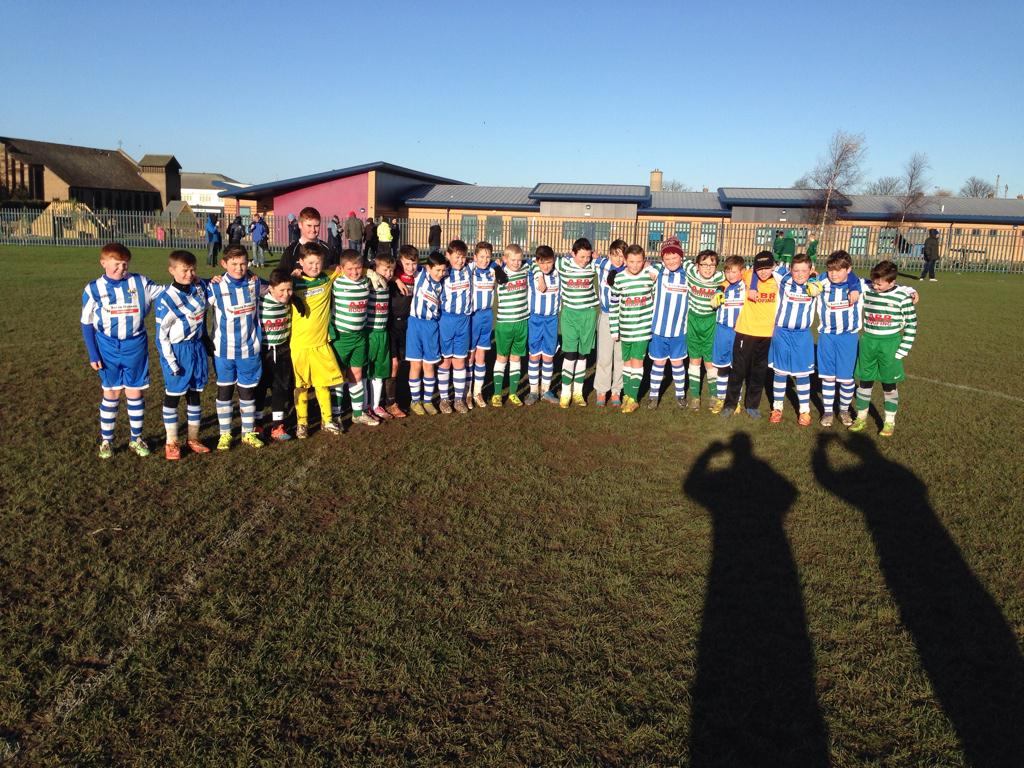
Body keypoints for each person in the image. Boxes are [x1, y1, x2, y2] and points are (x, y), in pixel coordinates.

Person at [80, 242, 164, 458]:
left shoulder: (140, 282)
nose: (121, 269)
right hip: (106, 347)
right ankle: (106, 441)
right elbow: (86, 323)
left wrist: (199, 281)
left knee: (135, 392)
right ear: (103, 263)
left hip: (135, 345)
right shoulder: (93, 289)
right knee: (112, 392)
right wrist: (93, 353)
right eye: (116, 264)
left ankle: (136, 439)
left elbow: (168, 292)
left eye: (124, 265)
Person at [154, 250, 212, 459]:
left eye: (192, 269)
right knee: (173, 394)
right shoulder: (167, 299)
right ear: (172, 271)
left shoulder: (198, 287)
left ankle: (193, 437)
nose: (189, 274)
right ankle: (171, 442)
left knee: (195, 393)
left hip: (196, 348)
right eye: (184, 270)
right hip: (178, 351)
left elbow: (211, 283)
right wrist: (171, 361)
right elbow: (161, 336)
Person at [850, 260, 918, 437]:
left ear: (892, 282)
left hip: (890, 344)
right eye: (874, 282)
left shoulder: (902, 297)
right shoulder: (869, 288)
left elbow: (911, 324)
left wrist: (903, 348)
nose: (875, 286)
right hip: (868, 342)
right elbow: (853, 279)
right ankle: (861, 418)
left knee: (889, 384)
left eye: (879, 284)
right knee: (864, 382)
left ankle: (889, 422)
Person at [208, 245, 266, 450]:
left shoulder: (255, 282)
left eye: (243, 263)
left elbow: (277, 288)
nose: (239, 268)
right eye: (234, 264)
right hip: (223, 352)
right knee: (224, 392)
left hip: (250, 350)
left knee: (247, 393)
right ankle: (225, 434)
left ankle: (248, 432)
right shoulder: (214, 287)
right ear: (224, 264)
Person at [290, 242, 345, 438]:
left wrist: (371, 272)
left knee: (323, 384)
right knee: (301, 386)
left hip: (321, 343)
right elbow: (271, 286)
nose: (315, 267)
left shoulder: (326, 279)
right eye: (310, 262)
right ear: (301, 262)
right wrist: (290, 278)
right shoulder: (293, 284)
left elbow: (347, 268)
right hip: (299, 346)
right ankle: (302, 423)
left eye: (318, 263)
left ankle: (328, 419)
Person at [721, 251, 781, 419]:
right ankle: (730, 404)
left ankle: (752, 405)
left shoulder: (778, 280)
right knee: (738, 371)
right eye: (759, 268)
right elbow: (729, 279)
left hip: (766, 334)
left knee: (759, 371)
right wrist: (720, 289)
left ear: (773, 267)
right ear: (754, 268)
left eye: (767, 268)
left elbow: (807, 274)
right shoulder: (748, 276)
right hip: (745, 331)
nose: (763, 272)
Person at [765, 254, 820, 426]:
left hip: (802, 335)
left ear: (811, 270)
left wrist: (815, 278)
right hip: (781, 333)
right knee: (780, 373)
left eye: (804, 270)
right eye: (796, 270)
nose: (800, 274)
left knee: (802, 374)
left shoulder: (818, 282)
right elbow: (763, 265)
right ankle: (777, 408)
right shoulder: (783, 277)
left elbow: (848, 276)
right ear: (790, 270)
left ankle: (804, 411)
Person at [815, 251, 864, 427]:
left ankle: (843, 409)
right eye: (831, 270)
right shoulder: (821, 282)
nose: (834, 274)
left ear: (849, 269)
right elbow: (804, 276)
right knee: (828, 377)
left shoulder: (859, 285)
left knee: (846, 378)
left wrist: (911, 291)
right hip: (827, 337)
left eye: (839, 270)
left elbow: (883, 284)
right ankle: (828, 411)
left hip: (848, 338)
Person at [608, 244, 658, 413]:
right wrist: (614, 328)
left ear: (644, 261)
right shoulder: (620, 278)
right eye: (631, 261)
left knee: (637, 362)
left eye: (639, 261)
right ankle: (627, 396)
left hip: (642, 329)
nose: (635, 265)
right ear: (625, 261)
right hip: (625, 329)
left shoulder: (649, 276)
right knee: (627, 363)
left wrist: (654, 269)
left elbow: (663, 271)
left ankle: (634, 398)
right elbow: (614, 305)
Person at [330, 249, 377, 427]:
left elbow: (382, 270)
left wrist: (370, 271)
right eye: (349, 269)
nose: (354, 272)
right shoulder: (336, 282)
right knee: (338, 376)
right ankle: (336, 414)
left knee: (356, 373)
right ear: (341, 269)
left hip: (360, 337)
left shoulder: (366, 281)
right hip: (341, 338)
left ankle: (358, 413)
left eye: (358, 268)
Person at [555, 237, 599, 407]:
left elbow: (611, 264)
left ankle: (578, 393)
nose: (585, 260)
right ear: (572, 253)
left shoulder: (593, 265)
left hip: (588, 314)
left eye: (588, 257)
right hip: (570, 315)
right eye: (581, 257)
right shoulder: (563, 265)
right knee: (570, 353)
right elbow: (542, 261)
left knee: (583, 355)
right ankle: (565, 393)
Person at [254, 268, 298, 441]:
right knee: (259, 389)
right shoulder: (260, 302)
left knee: (281, 387)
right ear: (270, 289)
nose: (286, 294)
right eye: (281, 290)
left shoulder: (291, 302)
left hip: (282, 351)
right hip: (262, 352)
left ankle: (277, 426)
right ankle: (257, 425)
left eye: (289, 290)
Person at [646, 239, 689, 409]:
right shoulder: (657, 272)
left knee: (678, 364)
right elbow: (645, 266)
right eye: (667, 258)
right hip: (658, 329)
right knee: (658, 364)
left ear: (681, 257)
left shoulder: (688, 275)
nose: (671, 261)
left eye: (675, 257)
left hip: (679, 330)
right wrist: (650, 266)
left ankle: (680, 395)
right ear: (662, 259)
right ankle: (653, 396)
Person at [682, 249, 726, 410]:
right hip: (693, 321)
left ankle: (714, 395)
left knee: (709, 361)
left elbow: (739, 275)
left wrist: (722, 288)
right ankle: (695, 396)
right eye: (704, 264)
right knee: (694, 359)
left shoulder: (721, 278)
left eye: (712, 265)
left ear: (717, 266)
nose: (707, 268)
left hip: (710, 323)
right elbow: (677, 259)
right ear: (697, 265)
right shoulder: (690, 271)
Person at [407, 251, 448, 416]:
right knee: (415, 365)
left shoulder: (442, 283)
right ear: (428, 268)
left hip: (431, 326)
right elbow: (406, 264)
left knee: (429, 365)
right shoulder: (420, 275)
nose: (440, 274)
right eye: (437, 270)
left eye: (443, 270)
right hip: (415, 324)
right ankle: (415, 401)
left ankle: (428, 400)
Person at [490, 243, 530, 407]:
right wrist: (496, 265)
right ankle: (497, 394)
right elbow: (484, 265)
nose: (516, 263)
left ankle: (513, 393)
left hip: (522, 321)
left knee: (516, 358)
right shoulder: (499, 273)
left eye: (519, 260)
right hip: (504, 323)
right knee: (502, 357)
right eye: (512, 260)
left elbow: (538, 261)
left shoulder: (525, 268)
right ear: (505, 259)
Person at [437, 239, 473, 414]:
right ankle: (444, 399)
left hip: (464, 321)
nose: (461, 261)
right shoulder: (443, 272)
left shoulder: (469, 269)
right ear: (448, 256)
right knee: (445, 361)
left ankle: (459, 399)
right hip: (446, 320)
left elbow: (487, 263)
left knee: (460, 360)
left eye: (463, 257)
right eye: (457, 257)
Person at [708, 255, 747, 413]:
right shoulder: (721, 287)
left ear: (742, 272)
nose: (731, 275)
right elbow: (714, 303)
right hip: (723, 331)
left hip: (740, 332)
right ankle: (721, 398)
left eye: (734, 272)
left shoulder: (746, 285)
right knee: (722, 367)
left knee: (737, 368)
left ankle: (735, 401)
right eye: (728, 272)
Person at [384, 245, 419, 417]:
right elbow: (373, 267)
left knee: (408, 362)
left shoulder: (419, 275)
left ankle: (409, 396)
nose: (411, 267)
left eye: (413, 263)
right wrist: (396, 279)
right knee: (394, 364)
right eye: (407, 264)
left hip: (409, 325)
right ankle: (390, 403)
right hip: (391, 325)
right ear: (400, 262)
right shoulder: (392, 275)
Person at [593, 240, 627, 407]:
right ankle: (601, 391)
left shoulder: (630, 270)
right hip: (606, 315)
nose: (618, 259)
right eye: (615, 255)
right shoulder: (602, 264)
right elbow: (585, 259)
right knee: (604, 356)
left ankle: (616, 391)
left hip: (623, 318)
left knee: (620, 356)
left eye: (621, 256)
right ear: (609, 255)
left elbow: (649, 267)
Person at [525, 246, 560, 405]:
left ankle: (545, 390)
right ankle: (533, 391)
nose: (546, 266)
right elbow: (528, 262)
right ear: (538, 262)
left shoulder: (558, 272)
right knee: (534, 355)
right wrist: (539, 276)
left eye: (549, 262)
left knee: (548, 356)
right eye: (543, 262)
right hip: (535, 319)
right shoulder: (532, 272)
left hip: (552, 320)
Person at [365, 253, 394, 421]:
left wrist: (395, 278)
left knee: (380, 372)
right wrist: (369, 273)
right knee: (366, 372)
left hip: (382, 333)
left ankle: (376, 405)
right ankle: (365, 406)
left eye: (391, 270)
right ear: (376, 269)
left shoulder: (389, 284)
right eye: (385, 270)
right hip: (369, 333)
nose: (389, 273)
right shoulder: (370, 282)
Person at [467, 241, 496, 408]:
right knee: (470, 356)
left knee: (481, 356)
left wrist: (495, 263)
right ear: (475, 257)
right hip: (473, 316)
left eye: (488, 257)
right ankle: (467, 392)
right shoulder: (470, 269)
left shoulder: (493, 269)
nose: (485, 260)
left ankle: (478, 392)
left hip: (486, 316)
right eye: (482, 257)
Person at [279, 207, 329, 274]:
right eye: (309, 225)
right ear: (300, 225)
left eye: (316, 226)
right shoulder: (291, 251)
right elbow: (279, 278)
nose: (313, 230)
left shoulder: (328, 249)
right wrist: (291, 277)